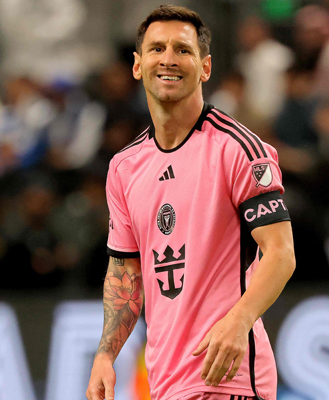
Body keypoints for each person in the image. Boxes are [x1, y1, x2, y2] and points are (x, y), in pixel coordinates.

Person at [86, 6, 295, 400]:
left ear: (205, 67)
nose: (168, 59)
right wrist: (105, 354)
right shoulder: (124, 168)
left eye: (182, 50)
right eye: (156, 49)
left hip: (227, 379)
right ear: (137, 65)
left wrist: (239, 321)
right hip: (166, 383)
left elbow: (281, 253)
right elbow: (125, 271)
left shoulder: (238, 149)